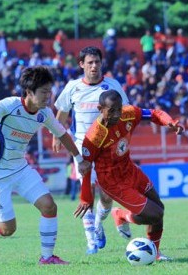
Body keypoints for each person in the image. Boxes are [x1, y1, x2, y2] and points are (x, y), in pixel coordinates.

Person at [0, 66, 91, 265]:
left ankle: (47, 258)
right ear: (29, 92)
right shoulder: (10, 105)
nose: (48, 96)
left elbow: (63, 135)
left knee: (49, 206)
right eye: (44, 92)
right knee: (8, 229)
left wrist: (80, 160)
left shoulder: (45, 114)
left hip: (21, 169)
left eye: (50, 91)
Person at [74, 90, 184, 261]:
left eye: (119, 109)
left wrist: (170, 122)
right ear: (100, 109)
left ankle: (154, 253)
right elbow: (86, 168)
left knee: (159, 208)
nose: (117, 114)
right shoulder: (93, 137)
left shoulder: (128, 114)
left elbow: (154, 114)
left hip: (129, 169)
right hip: (112, 181)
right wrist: (86, 197)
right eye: (112, 111)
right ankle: (121, 215)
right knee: (154, 214)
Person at [53, 46, 129, 254]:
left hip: (107, 148)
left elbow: (125, 113)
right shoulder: (73, 87)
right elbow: (61, 113)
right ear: (82, 64)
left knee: (106, 196)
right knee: (87, 192)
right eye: (90, 62)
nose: (94, 66)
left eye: (97, 62)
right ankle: (91, 242)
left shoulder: (112, 86)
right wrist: (56, 135)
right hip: (82, 148)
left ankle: (98, 224)